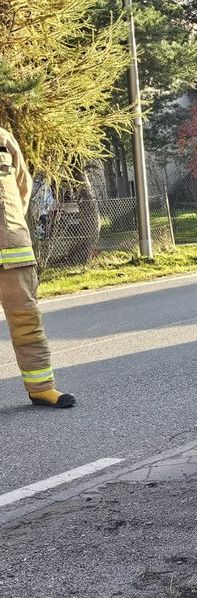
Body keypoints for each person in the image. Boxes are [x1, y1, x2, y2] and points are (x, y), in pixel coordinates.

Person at [0, 126, 74, 408]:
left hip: (13, 249)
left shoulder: (3, 138)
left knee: (27, 322)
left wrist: (10, 227)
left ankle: (42, 388)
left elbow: (23, 186)